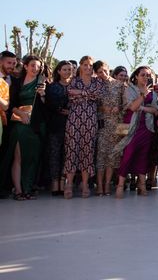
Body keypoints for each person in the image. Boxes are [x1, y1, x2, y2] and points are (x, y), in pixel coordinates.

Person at [0, 55, 47, 200]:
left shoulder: (43, 82)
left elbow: (48, 107)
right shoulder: (16, 82)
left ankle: (28, 189)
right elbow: (10, 104)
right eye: (32, 65)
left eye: (38, 66)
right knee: (18, 157)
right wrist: (20, 113)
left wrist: (43, 95)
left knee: (32, 158)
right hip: (20, 124)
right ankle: (18, 190)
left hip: (36, 126)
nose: (36, 68)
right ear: (26, 66)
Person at [114, 66, 158, 198]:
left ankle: (142, 185)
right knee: (127, 155)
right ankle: (120, 185)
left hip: (147, 128)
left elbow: (156, 111)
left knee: (143, 156)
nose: (146, 77)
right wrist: (143, 96)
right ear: (136, 76)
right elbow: (133, 107)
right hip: (129, 127)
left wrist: (143, 108)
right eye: (143, 75)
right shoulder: (129, 89)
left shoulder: (153, 93)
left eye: (148, 75)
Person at [64, 55, 105, 199]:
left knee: (87, 152)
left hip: (90, 121)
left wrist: (81, 93)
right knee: (71, 150)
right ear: (80, 66)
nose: (88, 67)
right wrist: (87, 94)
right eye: (85, 65)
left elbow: (98, 95)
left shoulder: (97, 81)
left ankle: (85, 184)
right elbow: (70, 96)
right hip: (74, 120)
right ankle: (69, 184)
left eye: (90, 65)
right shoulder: (74, 81)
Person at [94, 61, 125, 196]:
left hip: (117, 125)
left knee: (113, 157)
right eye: (100, 72)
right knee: (101, 155)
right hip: (102, 125)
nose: (103, 74)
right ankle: (99, 185)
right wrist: (102, 108)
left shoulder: (120, 85)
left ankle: (107, 185)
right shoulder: (96, 85)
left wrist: (119, 108)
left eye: (105, 70)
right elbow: (91, 105)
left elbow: (127, 106)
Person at [44, 60, 72, 196]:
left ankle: (63, 181)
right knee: (55, 153)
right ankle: (55, 183)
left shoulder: (75, 85)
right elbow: (49, 104)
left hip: (73, 124)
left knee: (68, 154)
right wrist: (61, 109)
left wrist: (71, 111)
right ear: (59, 71)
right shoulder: (52, 86)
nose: (67, 72)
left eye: (69, 69)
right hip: (56, 124)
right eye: (64, 69)